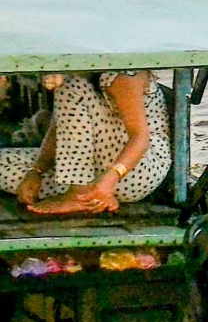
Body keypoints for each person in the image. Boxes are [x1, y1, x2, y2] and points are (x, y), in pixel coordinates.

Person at [0, 72, 172, 215]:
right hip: (91, 171)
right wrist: (36, 171)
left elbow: (140, 138)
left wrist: (109, 181)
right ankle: (87, 196)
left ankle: (77, 194)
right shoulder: (81, 73)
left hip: (135, 172)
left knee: (70, 86)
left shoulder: (124, 76)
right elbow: (60, 128)